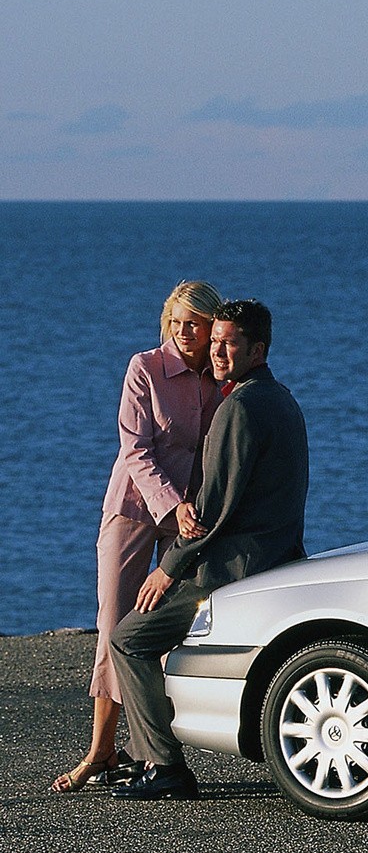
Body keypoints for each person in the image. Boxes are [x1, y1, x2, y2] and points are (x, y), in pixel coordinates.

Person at [109, 298, 309, 801]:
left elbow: (213, 510)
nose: (216, 350)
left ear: (257, 349)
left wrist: (169, 570)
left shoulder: (238, 407)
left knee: (129, 638)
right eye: (214, 340)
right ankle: (142, 755)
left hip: (235, 567)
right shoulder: (281, 398)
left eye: (229, 343)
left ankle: (163, 765)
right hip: (279, 553)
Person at [52, 280, 225, 793]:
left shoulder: (220, 380)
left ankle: (144, 747)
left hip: (186, 519)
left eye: (193, 322)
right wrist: (173, 504)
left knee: (158, 627)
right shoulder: (144, 368)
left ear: (212, 325)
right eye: (176, 321)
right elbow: (137, 451)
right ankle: (100, 750)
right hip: (132, 509)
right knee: (112, 625)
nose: (183, 330)